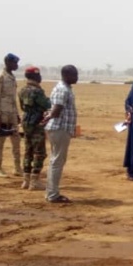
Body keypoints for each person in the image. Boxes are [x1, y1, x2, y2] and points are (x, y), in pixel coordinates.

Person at [44, 65, 78, 204]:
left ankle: (51, 192)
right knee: (57, 161)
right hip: (59, 129)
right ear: (67, 75)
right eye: (75, 75)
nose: (77, 78)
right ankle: (52, 194)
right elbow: (57, 110)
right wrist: (47, 117)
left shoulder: (65, 88)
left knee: (56, 160)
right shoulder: (62, 89)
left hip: (61, 129)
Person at [18, 66, 51, 191]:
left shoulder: (22, 90)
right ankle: (34, 180)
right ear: (35, 76)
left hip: (26, 122)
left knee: (28, 151)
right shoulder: (37, 92)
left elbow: (22, 107)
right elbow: (47, 105)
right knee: (39, 152)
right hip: (37, 123)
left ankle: (26, 180)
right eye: (38, 75)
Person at [0, 53, 22, 178]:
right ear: (8, 63)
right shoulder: (0, 77)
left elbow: (13, 98)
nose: (16, 65)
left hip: (12, 113)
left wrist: (17, 114)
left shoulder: (12, 77)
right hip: (2, 113)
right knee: (0, 141)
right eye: (15, 63)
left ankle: (17, 167)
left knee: (16, 140)